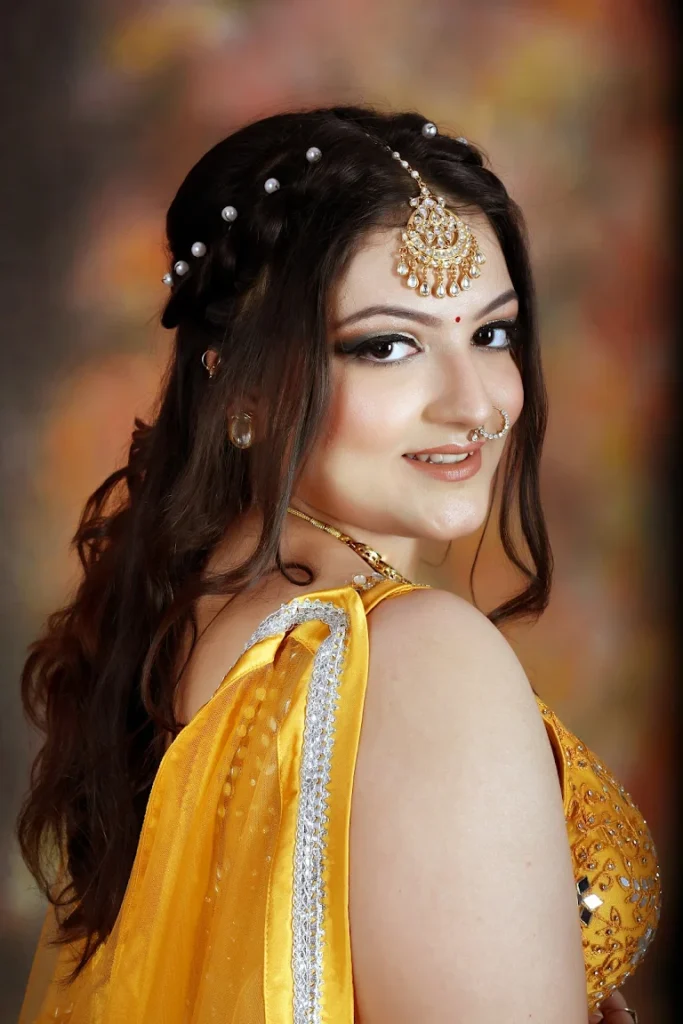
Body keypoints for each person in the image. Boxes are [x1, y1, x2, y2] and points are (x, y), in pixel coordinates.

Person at [16, 106, 659, 1024]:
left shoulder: (188, 616)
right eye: (387, 346)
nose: (474, 405)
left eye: (491, 334)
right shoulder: (421, 657)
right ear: (242, 384)